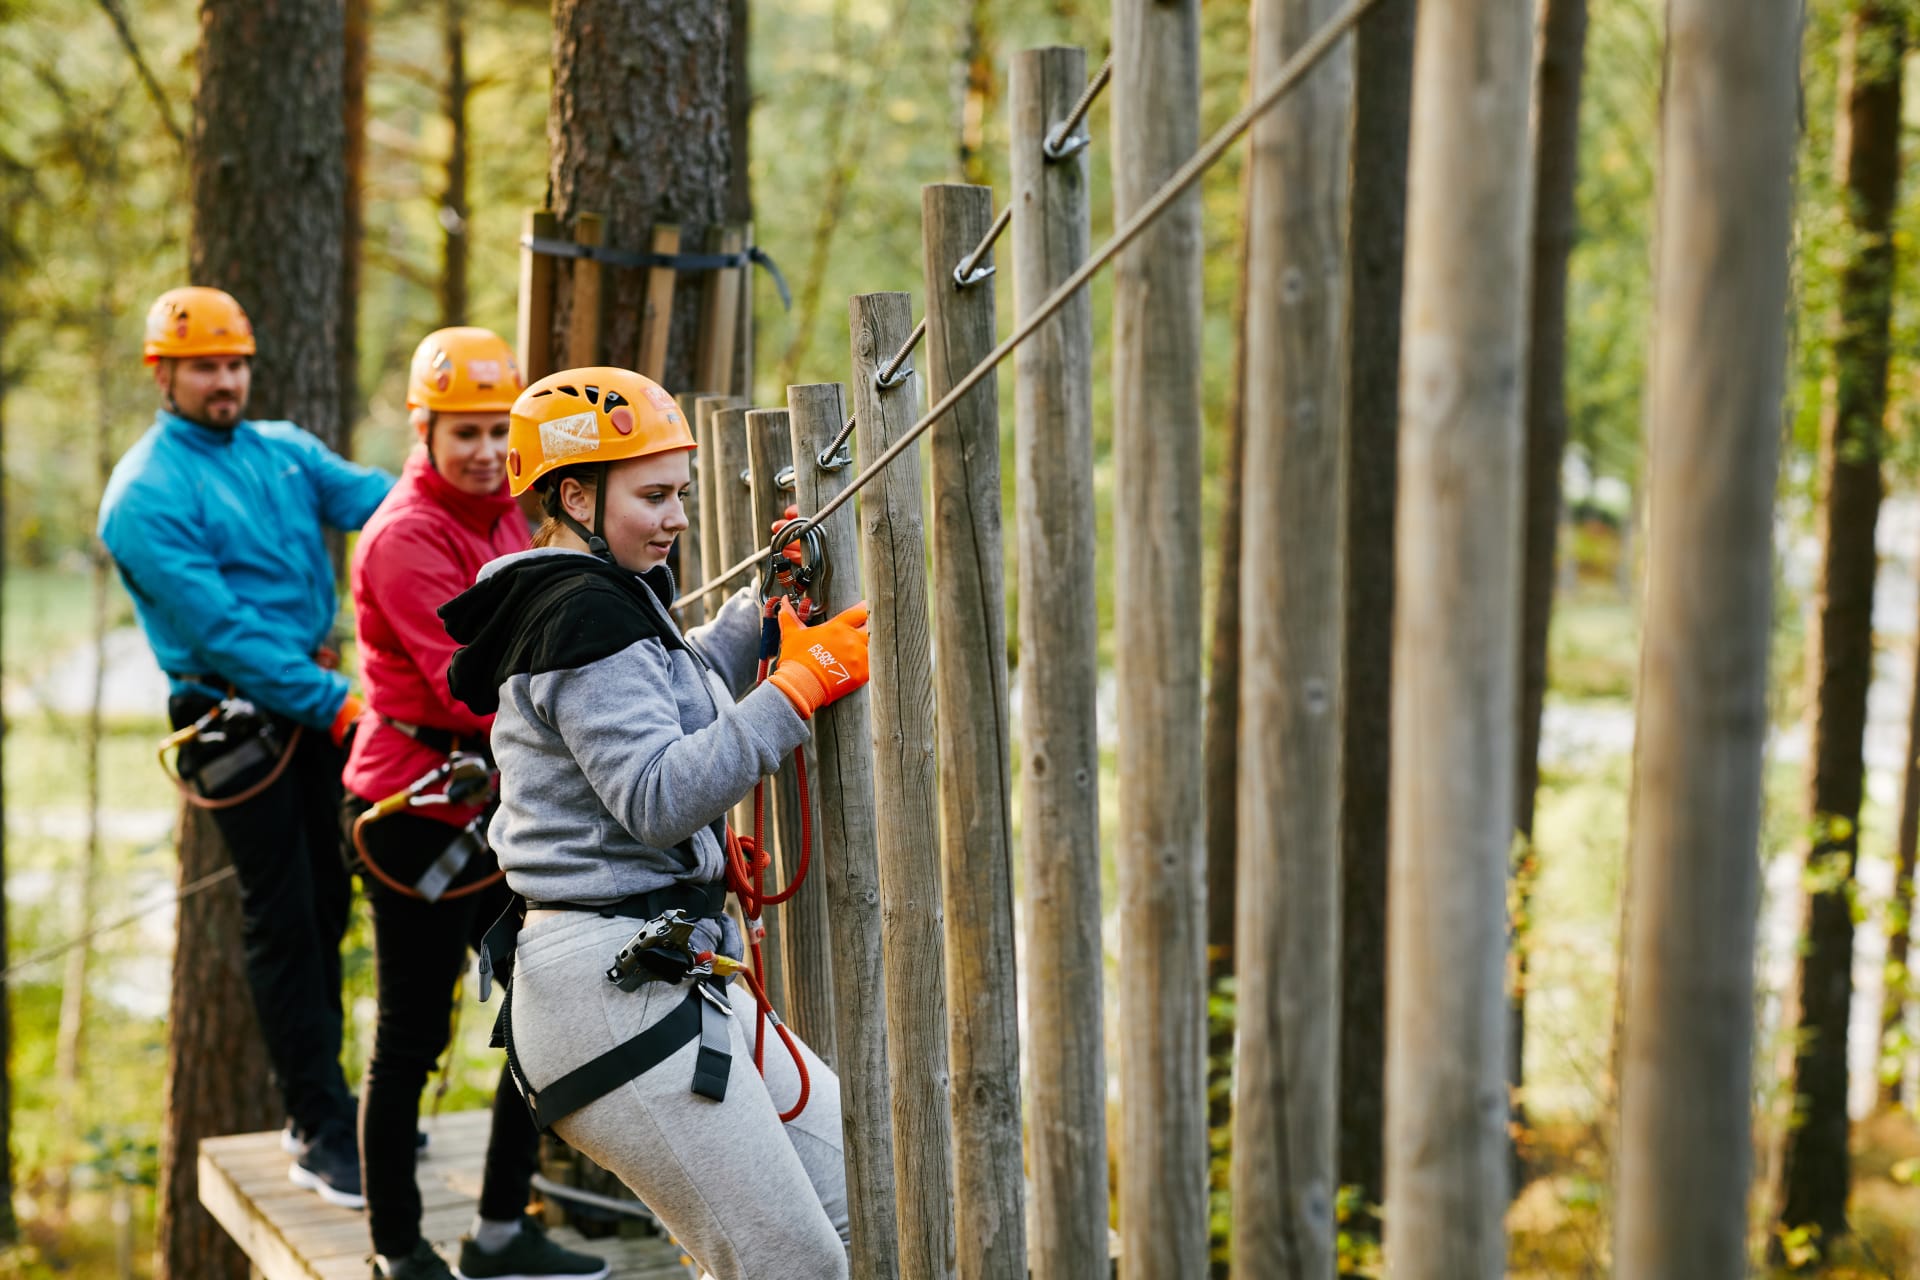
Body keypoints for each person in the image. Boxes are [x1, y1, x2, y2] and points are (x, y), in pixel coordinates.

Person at [438, 367, 870, 1280]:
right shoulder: (579, 613)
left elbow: (677, 689)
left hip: (656, 961)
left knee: (871, 1204)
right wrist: (796, 688)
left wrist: (764, 618)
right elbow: (658, 794)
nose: (677, 517)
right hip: (608, 984)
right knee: (791, 1264)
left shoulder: (596, 596)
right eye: (655, 496)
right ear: (575, 494)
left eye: (682, 492)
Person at [98, 285, 392, 1207]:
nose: (224, 381)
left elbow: (383, 503)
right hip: (233, 719)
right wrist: (341, 702)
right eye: (204, 368)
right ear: (164, 373)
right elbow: (222, 630)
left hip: (313, 705)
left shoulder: (283, 452)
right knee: (284, 917)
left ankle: (341, 1106)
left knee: (329, 907)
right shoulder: (143, 494)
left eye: (234, 365)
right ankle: (317, 1125)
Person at [341, 329, 609, 1280]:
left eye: (501, 430)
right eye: (466, 432)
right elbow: (470, 683)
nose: (489, 450)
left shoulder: (514, 513)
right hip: (416, 806)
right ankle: (394, 1250)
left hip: (495, 798)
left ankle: (499, 1232)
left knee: (535, 1019)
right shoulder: (406, 535)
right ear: (425, 429)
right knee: (410, 1036)